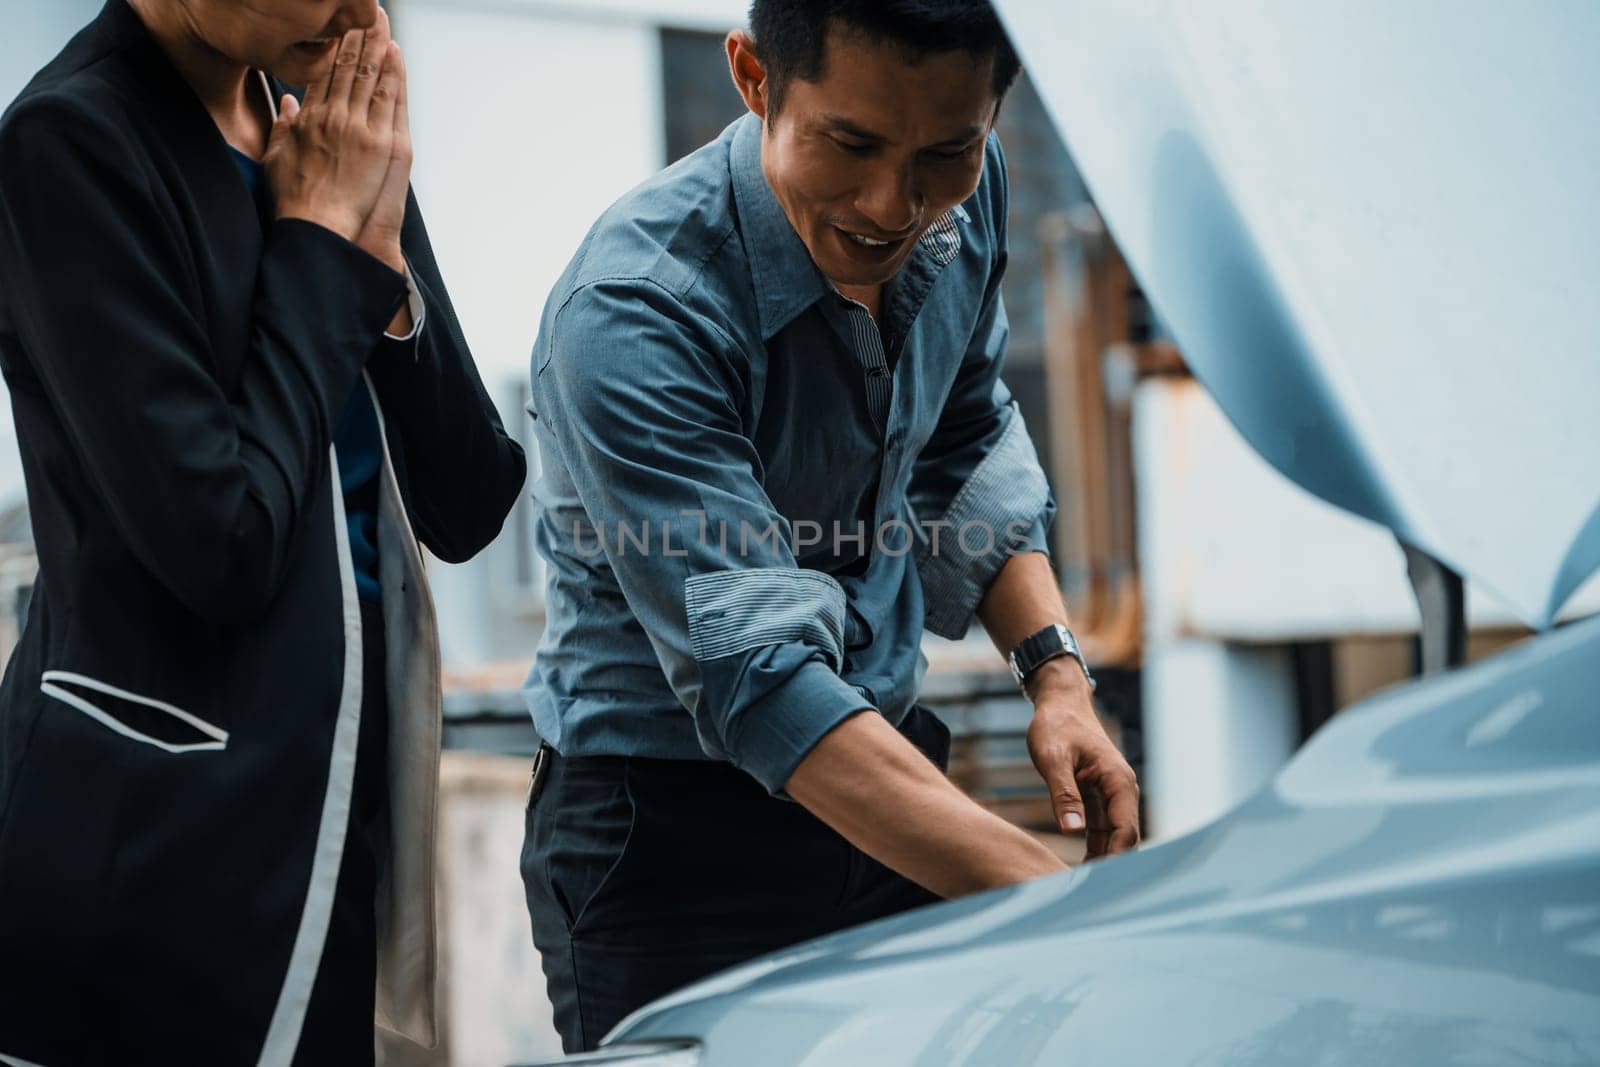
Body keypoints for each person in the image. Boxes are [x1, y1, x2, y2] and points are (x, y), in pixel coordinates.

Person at [521, 0, 1140, 1052]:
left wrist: (1056, 673)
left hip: (892, 784)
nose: (893, 205)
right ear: (754, 78)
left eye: (945, 150)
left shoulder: (965, 193)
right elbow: (760, 677)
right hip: (670, 843)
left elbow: (963, 430)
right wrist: (1061, 903)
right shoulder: (634, 310)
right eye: (849, 144)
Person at [0, 0, 526, 1062]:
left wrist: (374, 248)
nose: (360, 10)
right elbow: (220, 544)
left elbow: (471, 497)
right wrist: (321, 242)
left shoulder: (317, 115)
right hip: (148, 849)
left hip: (333, 815)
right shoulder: (70, 142)